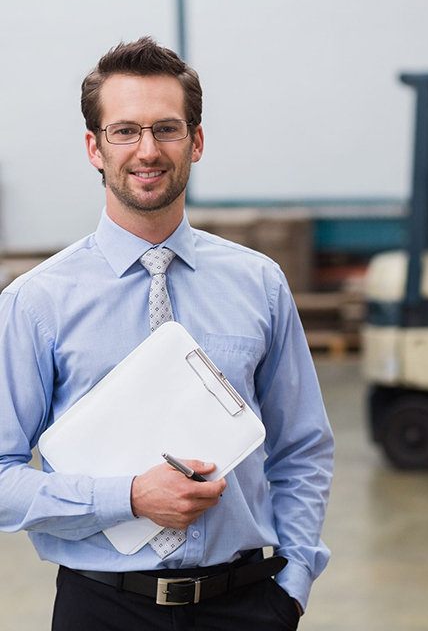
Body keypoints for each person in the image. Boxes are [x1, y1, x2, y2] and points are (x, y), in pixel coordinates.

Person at [0, 37, 334, 630]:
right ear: (94, 148)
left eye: (167, 129)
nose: (146, 150)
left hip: (248, 605)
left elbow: (302, 447)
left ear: (196, 141)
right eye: (124, 130)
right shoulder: (36, 302)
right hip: (101, 608)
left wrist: (294, 586)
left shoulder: (259, 283)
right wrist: (127, 497)